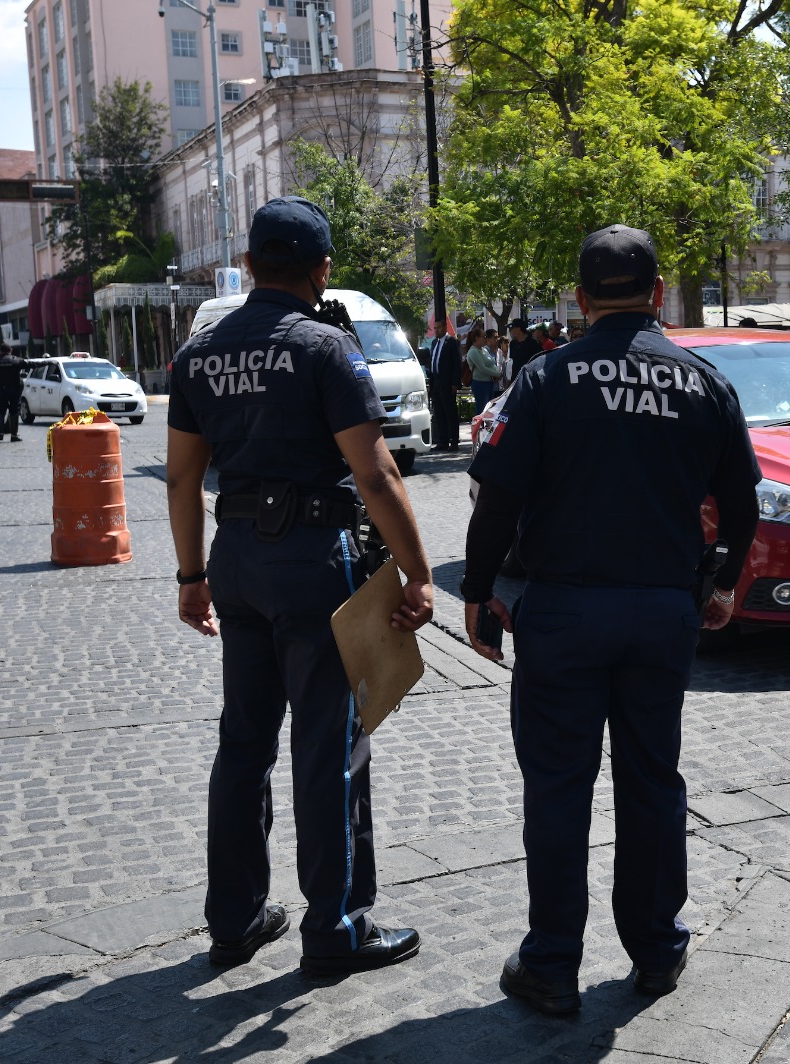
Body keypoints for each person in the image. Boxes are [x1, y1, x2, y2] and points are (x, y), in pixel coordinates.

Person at [461, 224, 760, 1016]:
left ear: (581, 298)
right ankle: (657, 948)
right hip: (662, 610)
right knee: (652, 779)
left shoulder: (544, 379)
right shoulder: (703, 382)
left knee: (559, 786)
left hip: (563, 610)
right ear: (658, 293)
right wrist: (724, 584)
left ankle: (552, 963)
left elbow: (498, 499)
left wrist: (479, 592)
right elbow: (743, 503)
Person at [165, 196, 435, 977]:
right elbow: (375, 473)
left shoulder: (198, 355)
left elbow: (182, 478)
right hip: (314, 559)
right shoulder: (325, 346)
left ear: (249, 264)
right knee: (326, 744)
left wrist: (191, 576)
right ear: (322, 269)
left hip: (237, 560)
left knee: (243, 744)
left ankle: (235, 920)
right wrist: (418, 574)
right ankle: (336, 927)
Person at [0, 342, 35, 442]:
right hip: (15, 391)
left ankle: (0, 433)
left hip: (2, 391)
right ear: (10, 350)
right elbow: (32, 364)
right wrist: (48, 362)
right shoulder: (16, 360)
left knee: (0, 412)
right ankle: (14, 435)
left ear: (0, 351)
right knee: (14, 411)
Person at [428, 317, 462, 451]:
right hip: (436, 382)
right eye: (435, 328)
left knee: (450, 412)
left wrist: (455, 382)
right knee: (439, 412)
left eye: (439, 327)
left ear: (445, 327)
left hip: (448, 383)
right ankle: (443, 441)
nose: (436, 330)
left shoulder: (452, 342)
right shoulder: (434, 343)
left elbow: (457, 363)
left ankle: (454, 441)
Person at [467, 326, 500, 413]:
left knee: (489, 409)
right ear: (476, 338)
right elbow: (482, 369)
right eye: (483, 336)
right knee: (482, 408)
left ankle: (486, 422)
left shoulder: (483, 350)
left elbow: (491, 363)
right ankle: (479, 422)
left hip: (489, 383)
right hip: (480, 384)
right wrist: (497, 374)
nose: (485, 338)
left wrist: (496, 373)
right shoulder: (473, 351)